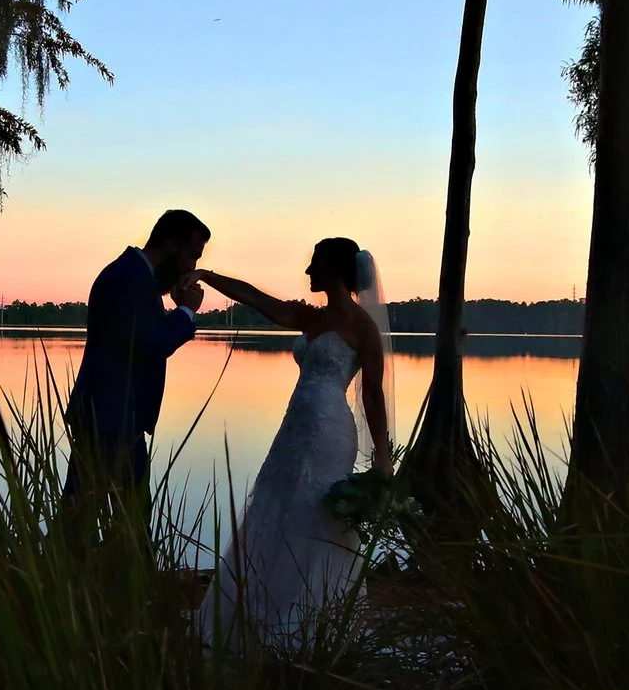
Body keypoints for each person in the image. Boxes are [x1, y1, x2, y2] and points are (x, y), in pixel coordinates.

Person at [194, 236, 392, 645]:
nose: (307, 272)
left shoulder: (362, 328)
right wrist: (206, 276)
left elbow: (372, 394)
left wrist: (383, 456)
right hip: (294, 429)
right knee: (274, 506)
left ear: (335, 269)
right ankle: (261, 609)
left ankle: (309, 619)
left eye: (315, 263)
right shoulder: (309, 318)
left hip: (330, 432)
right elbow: (255, 298)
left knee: (316, 513)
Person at [63, 209, 210, 505]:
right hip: (108, 419)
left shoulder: (136, 276)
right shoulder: (129, 279)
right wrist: (186, 312)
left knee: (130, 522)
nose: (192, 266)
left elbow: (140, 337)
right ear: (171, 246)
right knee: (84, 520)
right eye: (193, 256)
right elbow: (151, 344)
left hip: (119, 419)